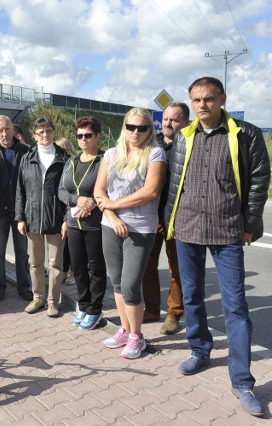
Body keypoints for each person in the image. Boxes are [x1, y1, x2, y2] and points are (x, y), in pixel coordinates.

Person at [165, 76, 271, 417]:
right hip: (187, 229)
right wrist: (169, 221)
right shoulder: (184, 136)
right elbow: (173, 183)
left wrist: (249, 225)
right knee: (192, 296)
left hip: (227, 232)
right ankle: (199, 350)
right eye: (196, 99)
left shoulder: (245, 134)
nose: (202, 105)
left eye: (209, 99)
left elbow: (259, 180)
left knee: (235, 307)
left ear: (222, 98)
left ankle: (242, 382)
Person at [94, 107, 165, 359]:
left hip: (140, 228)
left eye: (142, 128)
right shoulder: (111, 154)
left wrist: (115, 204)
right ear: (123, 127)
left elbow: (150, 192)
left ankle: (137, 337)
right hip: (110, 225)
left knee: (131, 284)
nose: (136, 132)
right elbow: (99, 191)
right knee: (116, 281)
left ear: (150, 130)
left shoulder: (155, 153)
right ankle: (124, 330)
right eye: (131, 127)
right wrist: (112, 215)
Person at [141, 102, 189, 333]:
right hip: (150, 215)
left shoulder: (191, 145)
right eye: (166, 119)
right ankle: (151, 309)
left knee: (175, 269)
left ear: (186, 122)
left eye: (175, 120)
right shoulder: (151, 144)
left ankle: (173, 314)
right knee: (147, 264)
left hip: (177, 218)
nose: (169, 124)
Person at [15, 117, 69, 318]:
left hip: (56, 218)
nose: (45, 135)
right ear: (34, 135)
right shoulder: (27, 158)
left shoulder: (64, 158)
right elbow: (20, 190)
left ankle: (53, 302)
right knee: (35, 263)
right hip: (33, 218)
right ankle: (38, 298)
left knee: (55, 264)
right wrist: (20, 217)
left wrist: (66, 219)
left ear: (54, 132)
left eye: (48, 131)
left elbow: (69, 189)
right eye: (40, 132)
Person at [58, 117, 106, 330]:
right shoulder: (71, 162)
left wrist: (92, 203)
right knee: (77, 267)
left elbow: (112, 189)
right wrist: (76, 201)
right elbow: (61, 191)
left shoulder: (105, 160)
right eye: (79, 136)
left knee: (95, 267)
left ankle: (95, 308)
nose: (83, 139)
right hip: (74, 221)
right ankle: (84, 304)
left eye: (88, 135)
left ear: (97, 136)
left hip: (96, 223)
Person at [0, 115, 32, 302]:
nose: (4, 133)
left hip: (21, 211)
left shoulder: (26, 151)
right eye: (0, 130)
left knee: (22, 251)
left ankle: (24, 286)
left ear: (13, 130)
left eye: (7, 129)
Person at [55, 137, 77, 286]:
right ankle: (65, 271)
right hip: (61, 206)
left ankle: (72, 273)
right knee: (65, 244)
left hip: (69, 208)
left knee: (70, 245)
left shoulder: (70, 163)